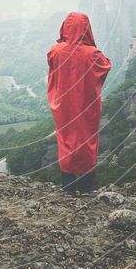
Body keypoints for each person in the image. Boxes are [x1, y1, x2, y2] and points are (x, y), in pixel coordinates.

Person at [46, 12, 111, 194]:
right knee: (87, 142)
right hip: (86, 107)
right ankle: (86, 188)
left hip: (64, 107)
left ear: (65, 27)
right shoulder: (93, 54)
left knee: (65, 141)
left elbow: (51, 60)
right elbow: (105, 66)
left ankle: (68, 188)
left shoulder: (56, 51)